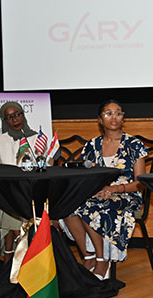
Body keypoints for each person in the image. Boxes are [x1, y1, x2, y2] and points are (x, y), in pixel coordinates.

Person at [63, 100, 148, 280]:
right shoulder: (92, 146)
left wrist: (114, 189)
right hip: (97, 193)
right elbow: (85, 176)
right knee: (68, 208)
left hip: (127, 194)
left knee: (90, 207)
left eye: (118, 113)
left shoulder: (134, 144)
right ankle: (88, 257)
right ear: (100, 120)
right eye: (108, 113)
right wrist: (97, 189)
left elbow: (140, 183)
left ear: (123, 118)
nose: (114, 117)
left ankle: (102, 261)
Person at [0, 102, 41, 262]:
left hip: (30, 190)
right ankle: (15, 254)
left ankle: (10, 255)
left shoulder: (36, 138)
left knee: (12, 209)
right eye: (10, 117)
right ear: (4, 120)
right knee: (9, 201)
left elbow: (43, 166)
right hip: (8, 189)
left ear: (23, 115)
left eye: (18, 114)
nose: (15, 119)